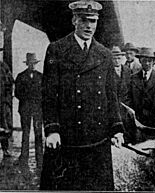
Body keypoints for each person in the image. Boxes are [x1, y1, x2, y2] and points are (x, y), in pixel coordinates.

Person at [40, 0, 125, 190]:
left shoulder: (104, 54)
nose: (89, 26)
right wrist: (52, 129)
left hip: (98, 137)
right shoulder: (57, 49)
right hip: (68, 137)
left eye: (93, 21)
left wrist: (116, 128)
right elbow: (49, 94)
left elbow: (111, 95)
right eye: (84, 20)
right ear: (74, 21)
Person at [126, 47, 155, 131]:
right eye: (144, 60)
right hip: (138, 122)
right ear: (140, 61)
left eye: (149, 61)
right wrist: (132, 112)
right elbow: (127, 97)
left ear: (153, 61)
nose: (147, 63)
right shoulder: (133, 78)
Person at [15, 53, 43, 168]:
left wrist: (38, 101)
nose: (32, 65)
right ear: (27, 64)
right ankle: (24, 158)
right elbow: (17, 93)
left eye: (34, 63)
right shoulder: (20, 76)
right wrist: (27, 98)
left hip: (37, 109)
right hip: (25, 108)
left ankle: (40, 159)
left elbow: (45, 92)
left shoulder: (41, 76)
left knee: (38, 133)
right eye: (30, 63)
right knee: (25, 133)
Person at [0, 49, 13, 158]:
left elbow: (10, 83)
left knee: (4, 126)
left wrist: (7, 100)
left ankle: (5, 149)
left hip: (2, 101)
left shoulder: (4, 67)